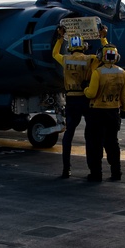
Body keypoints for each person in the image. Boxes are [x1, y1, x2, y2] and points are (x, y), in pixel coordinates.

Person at [52, 24, 107, 178]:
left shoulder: (65, 59)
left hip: (71, 99)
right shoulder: (90, 59)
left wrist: (60, 37)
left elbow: (55, 53)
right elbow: (105, 55)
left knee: (69, 134)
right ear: (84, 46)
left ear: (71, 47)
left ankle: (66, 169)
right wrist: (103, 37)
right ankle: (94, 170)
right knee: (91, 135)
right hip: (86, 98)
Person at [83, 44, 125, 182]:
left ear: (101, 57)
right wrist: (123, 109)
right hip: (114, 112)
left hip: (97, 112)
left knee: (95, 145)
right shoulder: (122, 72)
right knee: (112, 144)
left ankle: (96, 174)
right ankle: (116, 172)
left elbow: (91, 93)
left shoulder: (98, 72)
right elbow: (123, 95)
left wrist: (84, 88)